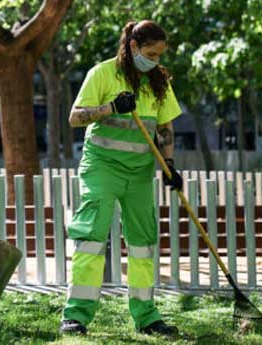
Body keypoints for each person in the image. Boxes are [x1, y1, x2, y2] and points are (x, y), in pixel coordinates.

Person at [60, 20, 183, 337]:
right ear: (132, 46)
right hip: (102, 167)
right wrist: (112, 107)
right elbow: (75, 118)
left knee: (143, 244)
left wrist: (169, 165)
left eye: (159, 55)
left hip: (140, 171)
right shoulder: (102, 73)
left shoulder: (159, 81)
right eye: (150, 53)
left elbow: (165, 127)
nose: (155, 60)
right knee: (92, 238)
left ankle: (147, 317)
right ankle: (76, 316)